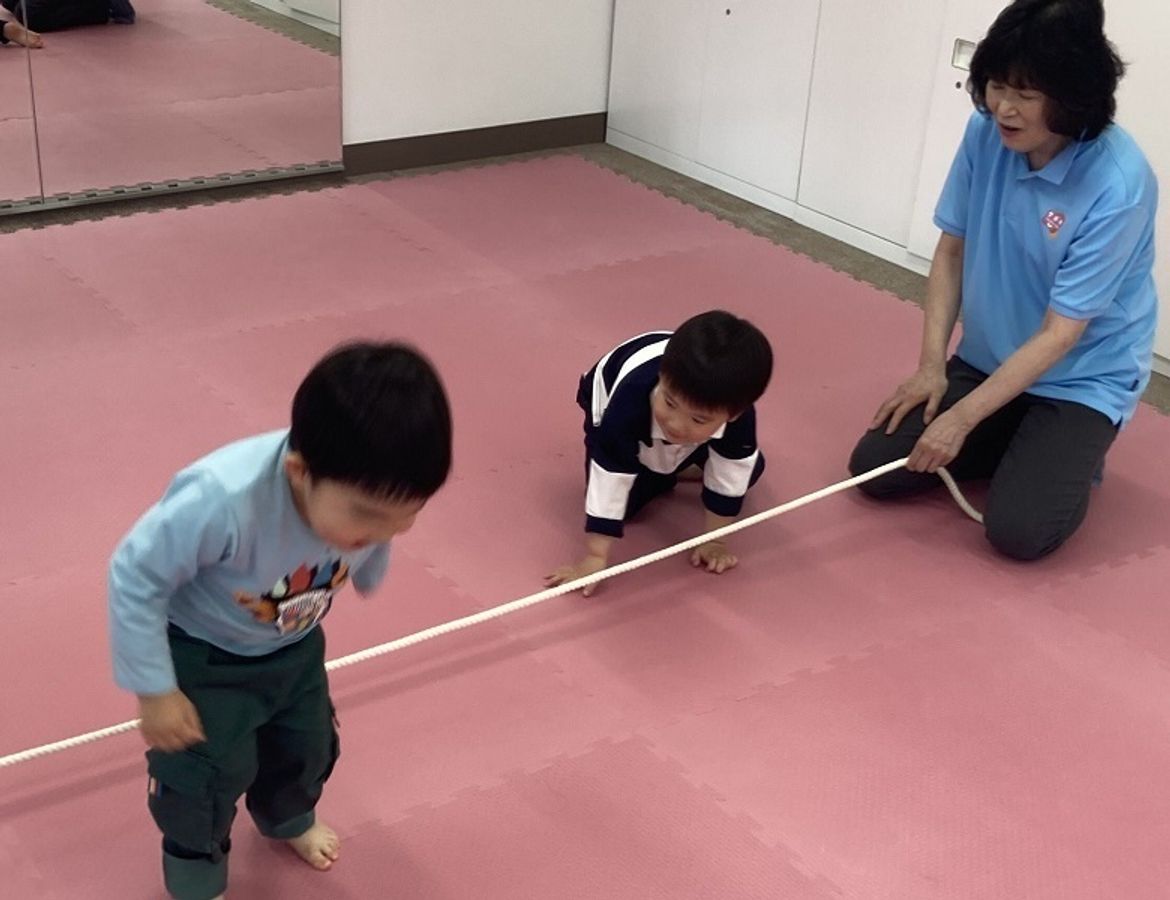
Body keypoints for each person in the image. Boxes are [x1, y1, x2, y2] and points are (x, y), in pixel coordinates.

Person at [108, 341, 453, 900]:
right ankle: (197, 877)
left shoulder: (368, 504)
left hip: (294, 644)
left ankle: (287, 818)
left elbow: (378, 525)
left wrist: (371, 556)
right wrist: (154, 689)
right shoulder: (222, 500)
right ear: (298, 472)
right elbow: (134, 575)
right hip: (205, 656)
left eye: (408, 516)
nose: (385, 534)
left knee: (307, 745)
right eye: (368, 520)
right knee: (204, 775)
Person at [848, 0, 1158, 560]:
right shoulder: (984, 132)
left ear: (1071, 95)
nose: (1004, 109)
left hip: (1080, 378)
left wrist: (963, 418)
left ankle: (1070, 443)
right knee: (874, 469)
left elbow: (1062, 334)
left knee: (1018, 532)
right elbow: (950, 251)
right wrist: (929, 368)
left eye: (1026, 94)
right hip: (989, 357)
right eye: (996, 86)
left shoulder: (1120, 184)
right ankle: (1017, 427)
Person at [546, 310, 773, 595]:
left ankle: (673, 462)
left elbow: (732, 473)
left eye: (698, 419)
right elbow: (610, 475)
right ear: (662, 378)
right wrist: (595, 557)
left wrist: (716, 540)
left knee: (747, 469)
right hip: (607, 393)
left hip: (682, 403)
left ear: (734, 414)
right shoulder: (628, 403)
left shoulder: (739, 417)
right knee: (625, 503)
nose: (676, 424)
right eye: (669, 403)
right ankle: (664, 469)